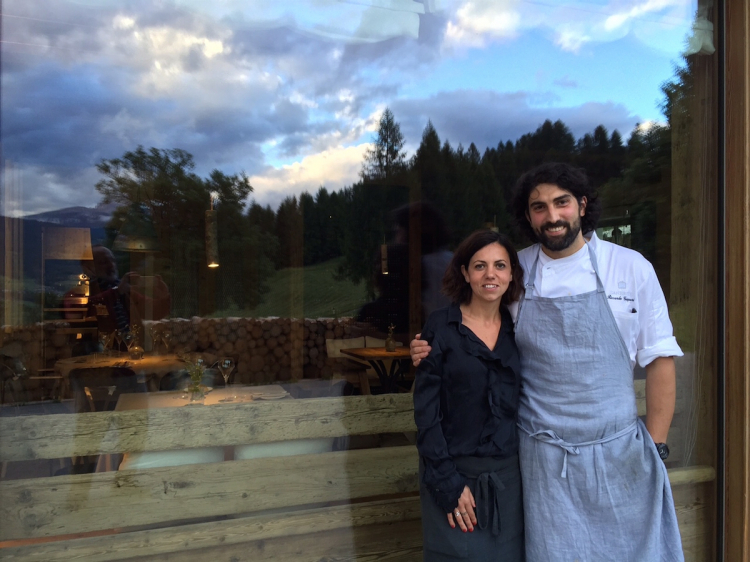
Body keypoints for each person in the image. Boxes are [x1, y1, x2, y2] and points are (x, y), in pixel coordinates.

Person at [411, 162, 684, 561]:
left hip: (619, 455)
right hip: (543, 462)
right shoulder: (516, 270)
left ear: (583, 205)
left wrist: (655, 447)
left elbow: (659, 359)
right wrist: (428, 344)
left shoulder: (630, 268)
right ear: (528, 216)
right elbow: (474, 324)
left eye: (562, 203)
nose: (552, 216)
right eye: (539, 207)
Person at [414, 229, 525, 562]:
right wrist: (448, 483)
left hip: (509, 482)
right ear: (464, 272)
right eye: (479, 266)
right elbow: (426, 415)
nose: (490, 274)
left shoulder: (521, 327)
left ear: (511, 274)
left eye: (500, 265)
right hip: (453, 477)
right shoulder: (441, 328)